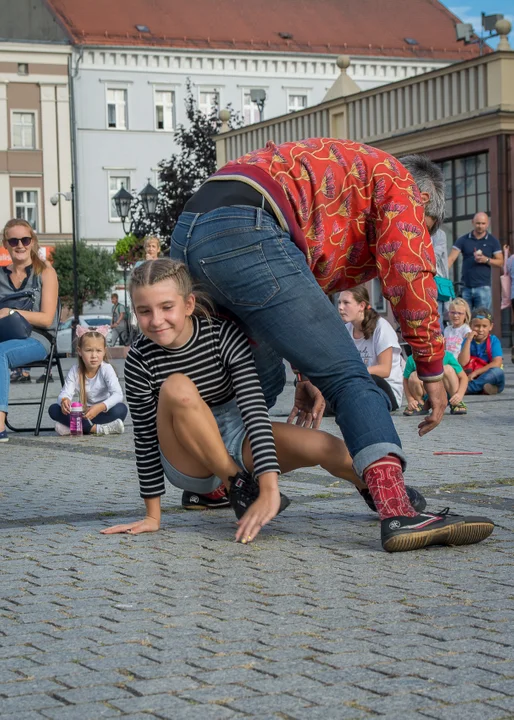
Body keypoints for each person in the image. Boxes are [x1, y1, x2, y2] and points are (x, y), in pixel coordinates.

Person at [170, 137, 494, 553]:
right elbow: (410, 275)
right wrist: (431, 369)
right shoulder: (399, 182)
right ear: (424, 197)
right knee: (349, 377)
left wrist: (304, 372)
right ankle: (396, 508)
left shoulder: (345, 177)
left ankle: (217, 481)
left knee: (255, 377)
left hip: (190, 230)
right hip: (248, 229)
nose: (420, 238)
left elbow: (300, 297)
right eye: (423, 229)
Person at [100, 260, 426, 543]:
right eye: (144, 311)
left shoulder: (221, 335)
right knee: (177, 386)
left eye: (166, 307)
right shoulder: (140, 358)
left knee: (327, 447)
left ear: (188, 304)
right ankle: (236, 485)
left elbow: (254, 409)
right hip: (187, 457)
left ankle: (380, 494)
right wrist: (152, 516)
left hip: (236, 433)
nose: (156, 320)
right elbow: (144, 437)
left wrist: (270, 486)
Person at [0, 219, 59, 443]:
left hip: (37, 338)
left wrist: (12, 312)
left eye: (25, 239)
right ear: (6, 244)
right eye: (13, 240)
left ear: (32, 241)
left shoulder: (45, 273)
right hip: (5, 335)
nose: (20, 245)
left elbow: (46, 318)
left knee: (0, 354)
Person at [48, 326, 127, 435]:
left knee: (121, 409)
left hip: (103, 412)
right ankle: (97, 429)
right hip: (85, 414)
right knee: (54, 409)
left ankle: (75, 427)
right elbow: (66, 392)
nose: (94, 355)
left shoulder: (106, 369)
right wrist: (64, 401)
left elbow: (118, 395)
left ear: (104, 351)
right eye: (89, 350)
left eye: (98, 351)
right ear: (80, 351)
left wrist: (100, 407)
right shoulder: (75, 371)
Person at [338, 286, 403, 412]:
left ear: (361, 305)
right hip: (358, 384)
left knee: (364, 382)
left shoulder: (381, 327)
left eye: (346, 303)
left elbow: (385, 370)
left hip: (386, 389)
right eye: (339, 302)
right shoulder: (346, 330)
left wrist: (354, 372)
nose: (340, 307)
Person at [447, 213, 502, 311]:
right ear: (472, 223)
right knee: (464, 318)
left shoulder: (493, 241)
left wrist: (486, 260)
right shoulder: (463, 240)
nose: (480, 226)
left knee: (481, 318)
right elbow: (451, 259)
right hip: (466, 286)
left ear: (488, 224)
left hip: (483, 287)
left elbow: (500, 262)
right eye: (478, 223)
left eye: (483, 223)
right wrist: (441, 275)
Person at [403, 351, 468, 416]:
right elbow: (405, 381)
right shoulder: (412, 358)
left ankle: (456, 403)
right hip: (426, 393)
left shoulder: (447, 356)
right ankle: (420, 404)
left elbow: (463, 377)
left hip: (446, 392)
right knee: (413, 376)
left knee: (448, 369)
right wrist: (410, 400)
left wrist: (460, 394)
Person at [459, 308, 505, 395]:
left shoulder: (493, 340)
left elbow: (497, 363)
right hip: (472, 377)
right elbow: (462, 362)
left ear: (490, 327)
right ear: (470, 325)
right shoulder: (467, 340)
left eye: (484, 326)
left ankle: (467, 388)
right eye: (477, 326)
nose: (480, 330)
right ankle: (485, 388)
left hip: (490, 377)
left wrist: (476, 373)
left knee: (498, 372)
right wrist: (468, 340)